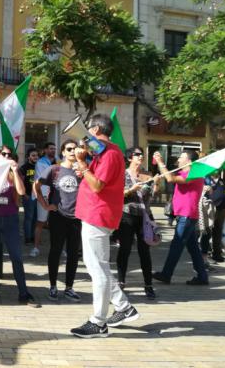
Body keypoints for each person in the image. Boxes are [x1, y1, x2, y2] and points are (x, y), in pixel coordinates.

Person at [70, 114, 139, 338]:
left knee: (97, 270)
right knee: (100, 267)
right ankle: (124, 308)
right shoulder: (105, 152)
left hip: (98, 215)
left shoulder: (110, 154)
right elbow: (96, 179)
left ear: (98, 129)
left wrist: (82, 164)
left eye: (89, 129)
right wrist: (86, 165)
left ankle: (98, 322)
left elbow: (98, 186)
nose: (87, 133)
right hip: (95, 214)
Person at [0, 145, 40, 307]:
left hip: (10, 219)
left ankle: (23, 293)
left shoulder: (14, 173)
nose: (7, 156)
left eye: (10, 154)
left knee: (16, 257)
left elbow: (22, 192)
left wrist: (15, 171)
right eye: (4, 154)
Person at [34, 139, 82, 302]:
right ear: (63, 152)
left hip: (77, 218)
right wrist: (45, 205)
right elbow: (36, 185)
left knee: (74, 254)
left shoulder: (82, 171)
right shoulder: (54, 169)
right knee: (55, 251)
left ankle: (69, 287)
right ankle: (53, 286)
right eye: (69, 149)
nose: (72, 152)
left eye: (75, 149)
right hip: (58, 217)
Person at [153, 150, 209, 286]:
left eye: (181, 157)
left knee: (176, 245)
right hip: (185, 215)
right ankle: (202, 277)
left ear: (189, 161)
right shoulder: (185, 173)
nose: (178, 159)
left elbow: (170, 179)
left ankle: (166, 274)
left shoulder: (194, 174)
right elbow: (170, 176)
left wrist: (160, 162)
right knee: (193, 248)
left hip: (187, 215)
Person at [116, 147, 159, 300]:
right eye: (137, 154)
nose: (140, 157)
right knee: (124, 250)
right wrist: (130, 190)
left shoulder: (147, 174)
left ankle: (148, 285)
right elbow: (116, 195)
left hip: (144, 217)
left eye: (142, 154)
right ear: (129, 158)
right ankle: (121, 282)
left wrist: (156, 185)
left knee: (144, 252)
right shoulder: (122, 174)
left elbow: (151, 196)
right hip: (126, 215)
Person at [31, 142, 57, 257]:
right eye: (51, 149)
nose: (53, 150)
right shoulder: (40, 163)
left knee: (58, 224)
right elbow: (44, 180)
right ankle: (35, 248)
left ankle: (59, 248)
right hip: (44, 196)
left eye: (54, 149)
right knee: (41, 222)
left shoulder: (59, 161)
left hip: (57, 197)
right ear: (45, 150)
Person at [20, 148, 39, 245]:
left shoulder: (39, 166)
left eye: (36, 155)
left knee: (36, 217)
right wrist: (24, 194)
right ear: (28, 157)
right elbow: (21, 181)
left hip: (38, 196)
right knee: (29, 217)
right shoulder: (24, 167)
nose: (35, 157)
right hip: (28, 195)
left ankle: (32, 237)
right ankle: (27, 238)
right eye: (33, 155)